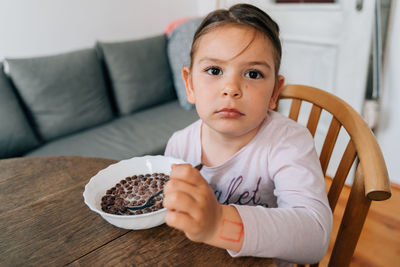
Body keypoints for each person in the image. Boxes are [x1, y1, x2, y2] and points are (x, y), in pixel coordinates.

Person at [163, 3, 332, 266]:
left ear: (274, 93)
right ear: (190, 84)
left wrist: (218, 222)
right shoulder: (179, 145)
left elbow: (316, 236)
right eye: (214, 71)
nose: (231, 88)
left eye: (253, 74)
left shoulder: (289, 142)